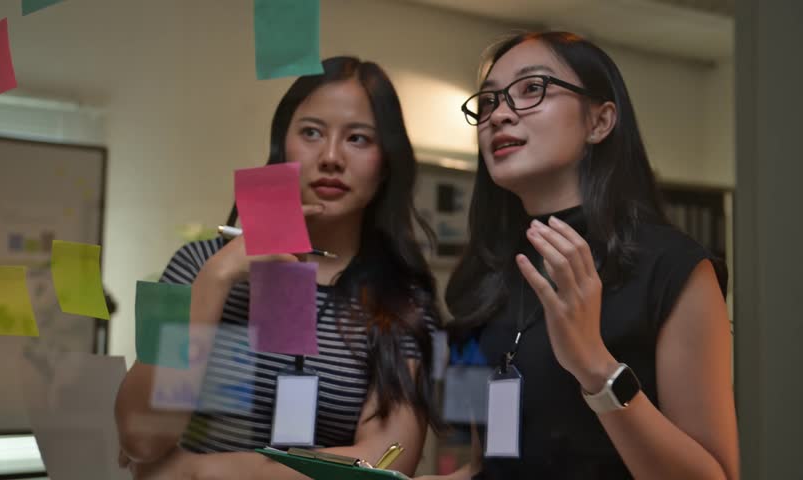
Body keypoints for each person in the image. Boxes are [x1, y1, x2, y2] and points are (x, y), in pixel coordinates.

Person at [115, 56, 442, 479]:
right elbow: (141, 438)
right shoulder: (197, 263)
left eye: (358, 139)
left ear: (386, 164)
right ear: (281, 145)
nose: (330, 157)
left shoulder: (403, 299)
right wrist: (214, 282)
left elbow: (388, 457)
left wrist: (203, 472)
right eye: (311, 133)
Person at [430, 32, 739, 480]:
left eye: (531, 89)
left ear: (600, 122)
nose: (499, 115)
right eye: (490, 101)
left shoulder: (674, 268)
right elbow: (485, 466)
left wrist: (594, 365)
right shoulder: (487, 278)